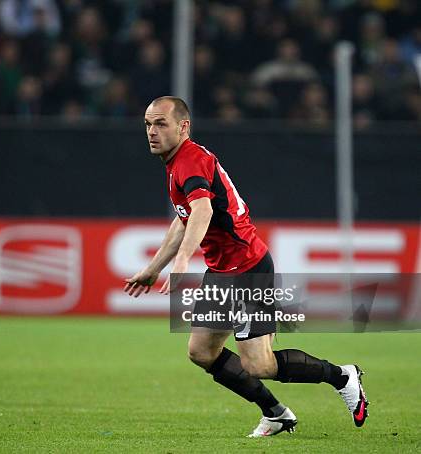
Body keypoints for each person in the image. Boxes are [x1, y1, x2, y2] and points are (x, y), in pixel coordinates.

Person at [123, 96, 369, 437]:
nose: (152, 131)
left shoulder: (190, 160)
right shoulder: (179, 162)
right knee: (202, 351)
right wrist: (154, 267)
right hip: (223, 272)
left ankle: (343, 376)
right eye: (148, 124)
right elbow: (184, 219)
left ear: (183, 127)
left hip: (248, 269)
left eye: (161, 123)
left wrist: (181, 261)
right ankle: (276, 413)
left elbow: (203, 212)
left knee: (259, 364)